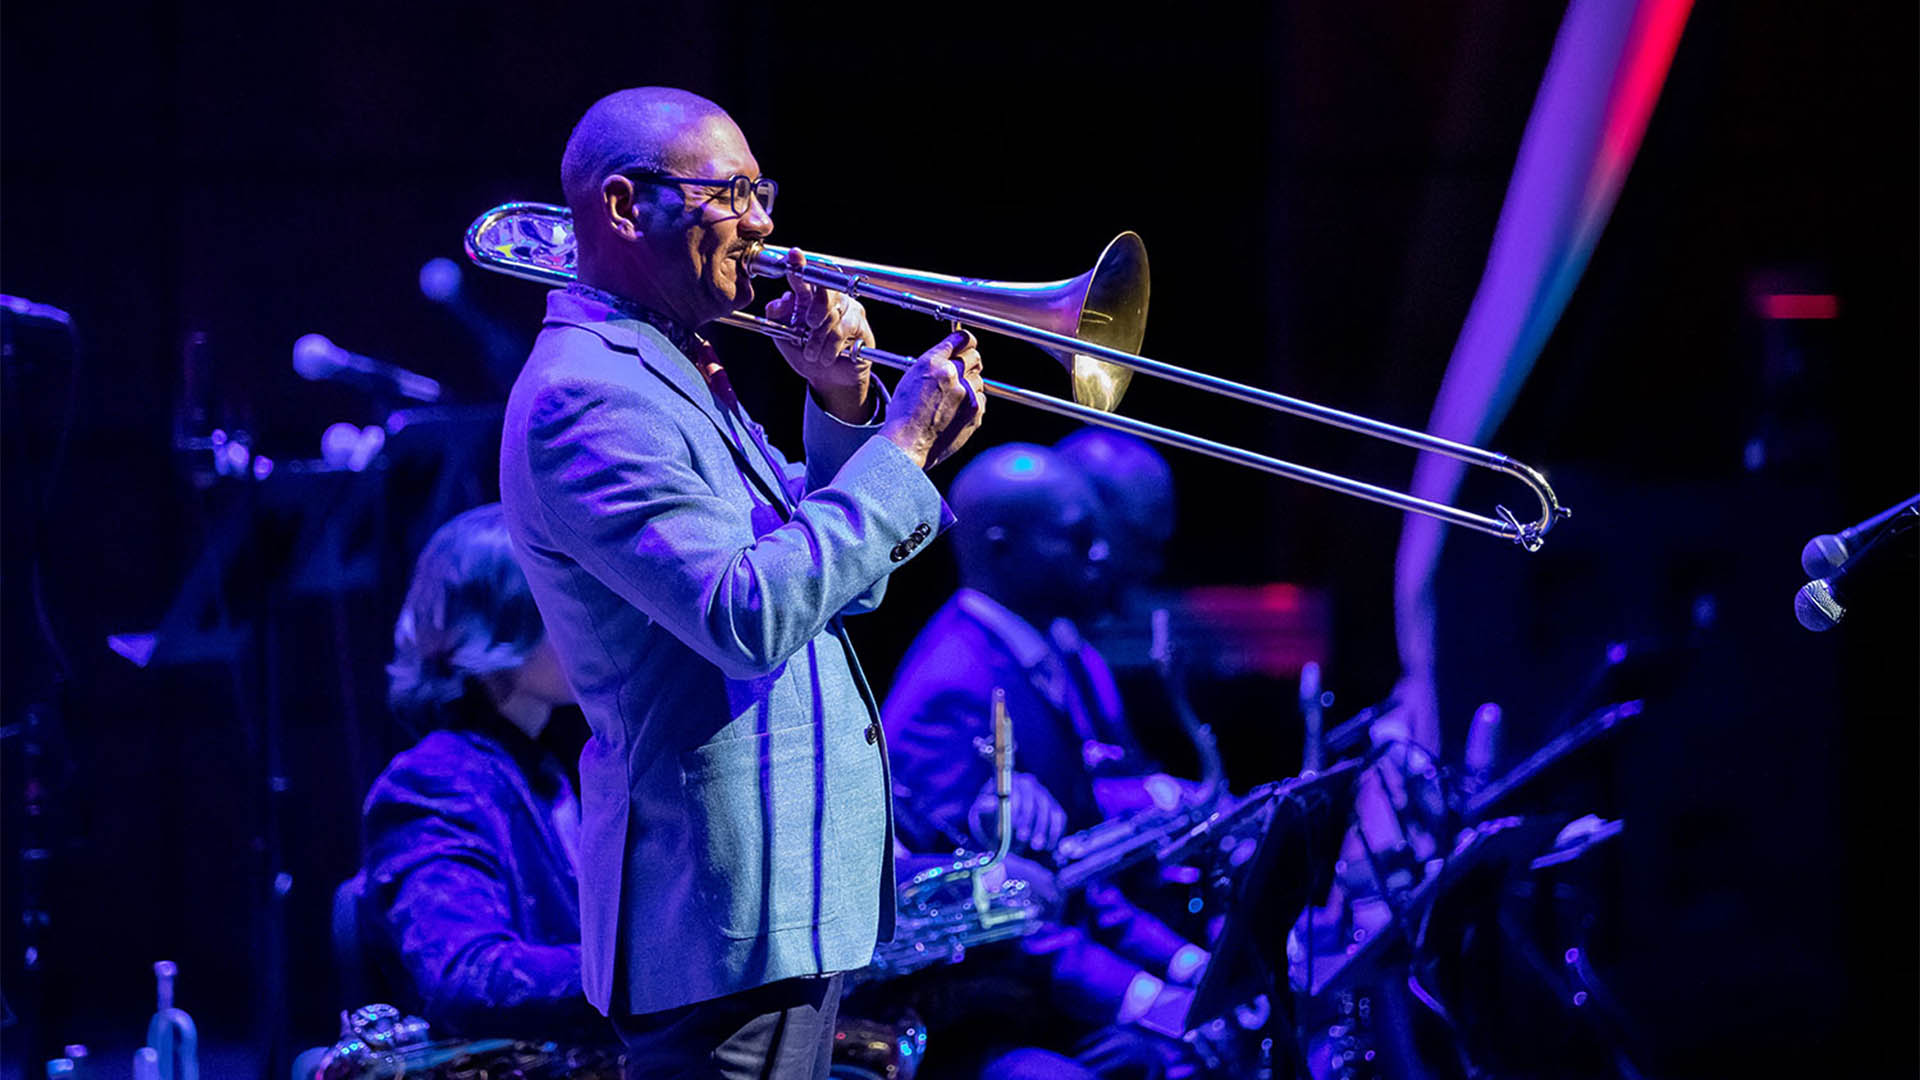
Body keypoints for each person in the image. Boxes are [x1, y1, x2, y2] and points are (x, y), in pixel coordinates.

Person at [498, 87, 986, 1079]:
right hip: (720, 917)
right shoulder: (586, 396)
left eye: (761, 190)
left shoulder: (671, 362)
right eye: (729, 194)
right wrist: (903, 447)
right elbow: (747, 613)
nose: (764, 224)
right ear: (628, 207)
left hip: (783, 901)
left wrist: (846, 405)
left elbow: (835, 583)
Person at [883, 444, 1207, 1077]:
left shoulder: (1040, 656)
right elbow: (974, 906)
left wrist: (1183, 966)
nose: (1103, 556)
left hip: (1038, 992)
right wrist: (1147, 996)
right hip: (974, 1020)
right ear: (1001, 548)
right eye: (1078, 540)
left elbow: (1070, 868)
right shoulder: (954, 688)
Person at [358, 503, 606, 1044]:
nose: (593, 618)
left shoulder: (549, 764)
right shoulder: (434, 785)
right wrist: (655, 974)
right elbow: (466, 977)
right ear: (498, 627)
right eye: (564, 598)